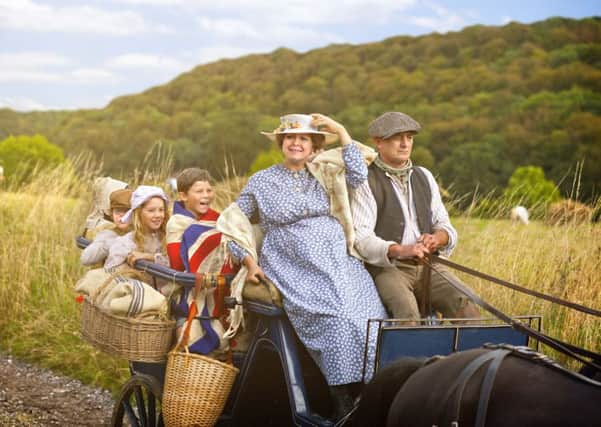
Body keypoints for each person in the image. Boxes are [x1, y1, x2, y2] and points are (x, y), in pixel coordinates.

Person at [220, 113, 387, 419]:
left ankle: (370, 393)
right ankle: (342, 399)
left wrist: (341, 131)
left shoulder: (324, 171)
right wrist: (249, 260)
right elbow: (232, 222)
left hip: (340, 263)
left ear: (314, 146)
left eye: (304, 139)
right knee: (335, 318)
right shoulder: (262, 180)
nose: (296, 143)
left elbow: (358, 176)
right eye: (290, 138)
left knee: (369, 317)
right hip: (294, 265)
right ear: (282, 144)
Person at [351, 111, 480, 322]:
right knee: (407, 313)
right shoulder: (366, 179)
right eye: (396, 137)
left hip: (429, 265)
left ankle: (463, 355)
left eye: (409, 138)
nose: (404, 144)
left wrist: (437, 238)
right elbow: (362, 239)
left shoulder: (424, 176)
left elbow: (444, 225)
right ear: (378, 142)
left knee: (465, 304)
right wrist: (401, 249)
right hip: (388, 269)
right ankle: (408, 356)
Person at [166, 168, 236, 358]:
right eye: (199, 191)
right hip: (191, 296)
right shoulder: (177, 223)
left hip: (218, 290)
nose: (206, 195)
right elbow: (177, 264)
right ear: (183, 195)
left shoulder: (217, 219)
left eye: (209, 190)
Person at [105, 185, 170, 271]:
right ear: (138, 213)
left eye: (161, 210)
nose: (158, 215)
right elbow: (110, 272)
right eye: (151, 210)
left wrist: (150, 257)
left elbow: (178, 265)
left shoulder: (170, 237)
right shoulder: (125, 243)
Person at [80, 188, 132, 267]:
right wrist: (111, 243)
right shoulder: (108, 235)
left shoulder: (142, 233)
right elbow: (86, 258)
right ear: (112, 214)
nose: (121, 216)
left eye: (126, 212)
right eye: (117, 211)